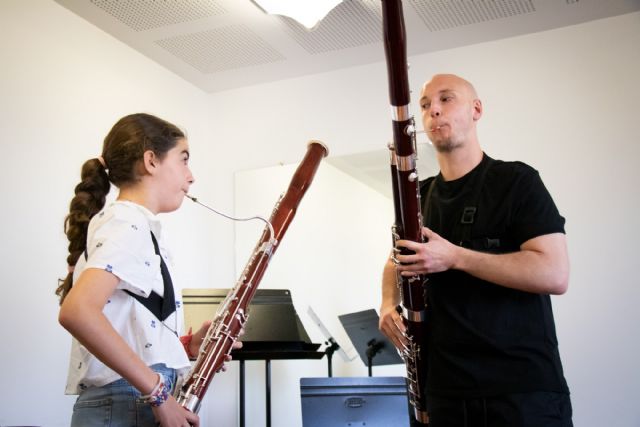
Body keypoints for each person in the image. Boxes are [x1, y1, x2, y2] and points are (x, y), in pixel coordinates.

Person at [379, 74, 572, 426]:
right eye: (425, 105)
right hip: (445, 394)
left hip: (522, 393)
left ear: (476, 109)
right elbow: (395, 261)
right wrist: (388, 303)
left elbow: (554, 273)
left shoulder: (517, 181)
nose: (433, 110)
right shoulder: (418, 196)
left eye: (446, 99)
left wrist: (456, 257)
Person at [57, 113, 239, 427]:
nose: (191, 175)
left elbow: (127, 321)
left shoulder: (133, 224)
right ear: (151, 161)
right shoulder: (127, 222)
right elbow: (78, 312)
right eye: (183, 160)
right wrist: (158, 393)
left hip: (125, 401)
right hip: (125, 404)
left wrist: (185, 347)